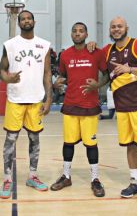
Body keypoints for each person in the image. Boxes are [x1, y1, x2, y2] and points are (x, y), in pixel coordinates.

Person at [85, 16, 137, 208]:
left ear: (127, 28)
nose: (116, 29)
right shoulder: (108, 51)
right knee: (130, 145)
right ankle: (135, 183)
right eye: (113, 27)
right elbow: (107, 76)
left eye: (120, 26)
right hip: (123, 106)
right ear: (110, 30)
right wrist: (97, 84)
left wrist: (130, 69)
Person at [0, 10, 53, 199]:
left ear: (34, 21)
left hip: (36, 99)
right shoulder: (10, 44)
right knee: (10, 141)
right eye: (23, 19)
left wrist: (49, 98)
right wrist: (8, 78)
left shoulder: (44, 45)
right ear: (19, 22)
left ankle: (32, 176)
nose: (26, 21)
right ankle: (7, 179)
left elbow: (47, 73)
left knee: (34, 140)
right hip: (15, 99)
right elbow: (2, 71)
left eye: (29, 18)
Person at [50, 22, 106, 197]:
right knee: (68, 143)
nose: (77, 33)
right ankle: (66, 176)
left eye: (81, 31)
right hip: (70, 105)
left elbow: (107, 74)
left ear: (87, 34)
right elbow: (64, 76)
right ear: (71, 34)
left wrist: (98, 84)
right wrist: (57, 82)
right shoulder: (65, 55)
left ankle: (95, 179)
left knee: (91, 144)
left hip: (89, 105)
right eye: (74, 31)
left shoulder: (96, 52)